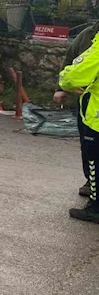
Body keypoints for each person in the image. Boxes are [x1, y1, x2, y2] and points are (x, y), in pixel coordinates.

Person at [53, 20, 99, 198]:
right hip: (88, 103)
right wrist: (61, 89)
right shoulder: (87, 35)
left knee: (93, 147)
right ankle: (91, 182)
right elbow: (70, 60)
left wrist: (66, 83)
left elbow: (71, 75)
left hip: (93, 104)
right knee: (89, 148)